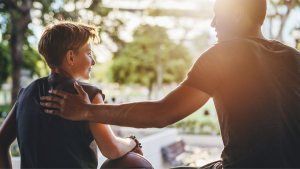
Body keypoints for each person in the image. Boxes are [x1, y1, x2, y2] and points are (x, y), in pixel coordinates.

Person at [40, 0, 300, 168]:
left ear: (238, 14)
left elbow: (162, 113)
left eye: (217, 15)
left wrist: (86, 111)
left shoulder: (223, 53)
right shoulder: (292, 57)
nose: (212, 23)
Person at [0, 21, 142, 168]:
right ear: (70, 57)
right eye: (88, 54)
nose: (93, 61)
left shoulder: (25, 93)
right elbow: (112, 149)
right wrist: (132, 141)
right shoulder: (86, 94)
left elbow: (1, 142)